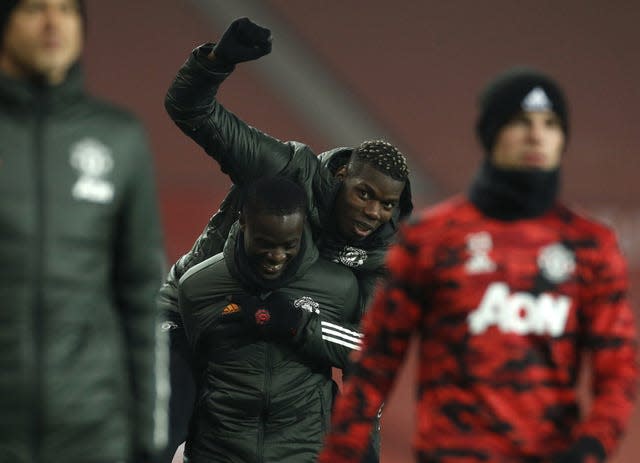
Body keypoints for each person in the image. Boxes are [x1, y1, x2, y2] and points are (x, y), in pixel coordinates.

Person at [318, 68, 638, 463]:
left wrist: (591, 448)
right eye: (521, 122)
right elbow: (374, 366)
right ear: (491, 132)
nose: (537, 135)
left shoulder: (591, 245)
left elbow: (619, 370)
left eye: (551, 124)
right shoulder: (433, 238)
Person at [158, 17, 412, 463]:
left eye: (386, 205)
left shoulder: (378, 255)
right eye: (364, 194)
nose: (373, 213)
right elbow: (190, 110)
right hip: (196, 309)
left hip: (280, 328)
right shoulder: (285, 169)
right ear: (338, 176)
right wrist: (218, 62)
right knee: (159, 432)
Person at [0, 1, 166, 462]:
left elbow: (142, 293)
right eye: (35, 8)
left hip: (94, 433)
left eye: (68, 10)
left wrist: (151, 435)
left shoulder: (119, 138)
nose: (54, 24)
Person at [178, 176, 361, 462]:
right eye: (265, 243)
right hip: (218, 452)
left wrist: (299, 325)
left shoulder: (337, 287)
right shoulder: (198, 286)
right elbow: (188, 368)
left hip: (302, 452)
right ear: (242, 222)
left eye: (290, 244)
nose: (276, 256)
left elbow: (368, 352)